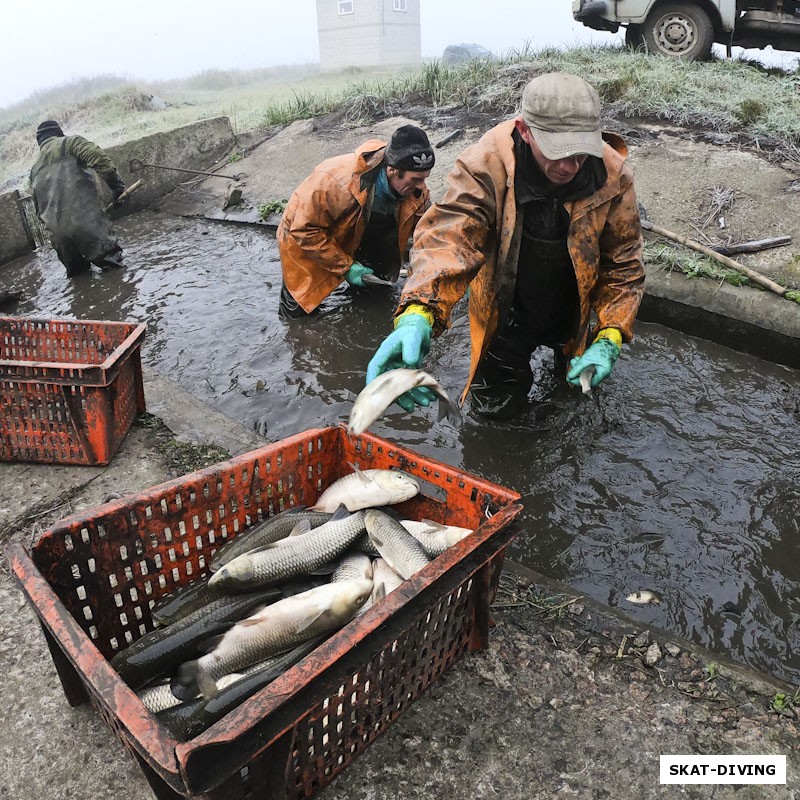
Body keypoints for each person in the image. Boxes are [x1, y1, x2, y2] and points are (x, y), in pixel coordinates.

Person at [365, 72, 645, 420]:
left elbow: (624, 265)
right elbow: (450, 236)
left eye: (580, 153)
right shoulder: (485, 163)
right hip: (506, 306)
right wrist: (418, 311)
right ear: (525, 131)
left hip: (574, 305)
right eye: (558, 153)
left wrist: (610, 337)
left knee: (574, 396)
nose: (570, 166)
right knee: (493, 412)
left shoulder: (614, 176)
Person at [277, 124, 435, 318]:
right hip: (304, 235)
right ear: (392, 170)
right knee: (300, 312)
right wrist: (347, 267)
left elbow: (428, 233)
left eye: (425, 178)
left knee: (377, 290)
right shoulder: (335, 182)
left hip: (365, 230)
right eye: (416, 179)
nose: (421, 186)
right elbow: (304, 230)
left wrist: (444, 271)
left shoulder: (416, 191)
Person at [30, 120, 128, 276]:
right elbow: (101, 161)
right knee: (115, 270)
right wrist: (117, 187)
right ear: (59, 133)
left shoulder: (34, 169)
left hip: (59, 237)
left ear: (39, 142)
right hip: (87, 224)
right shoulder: (70, 143)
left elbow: (37, 210)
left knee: (79, 279)